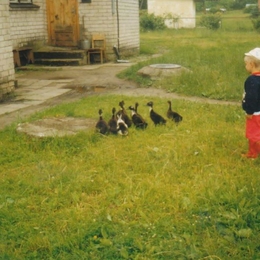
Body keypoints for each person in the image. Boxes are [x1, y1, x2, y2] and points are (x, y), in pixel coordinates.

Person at [242, 47, 260, 158]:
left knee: (253, 134)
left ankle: (253, 153)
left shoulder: (252, 80)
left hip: (255, 113)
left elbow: (251, 98)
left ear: (252, 64)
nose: (245, 66)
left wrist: (249, 111)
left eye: (246, 64)